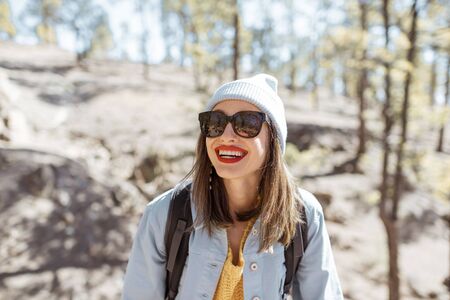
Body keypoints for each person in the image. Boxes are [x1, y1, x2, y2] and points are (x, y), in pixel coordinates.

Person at [122, 74, 344, 300]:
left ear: (273, 139)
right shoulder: (164, 213)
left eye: (246, 124)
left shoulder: (303, 216)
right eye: (215, 123)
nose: (227, 137)